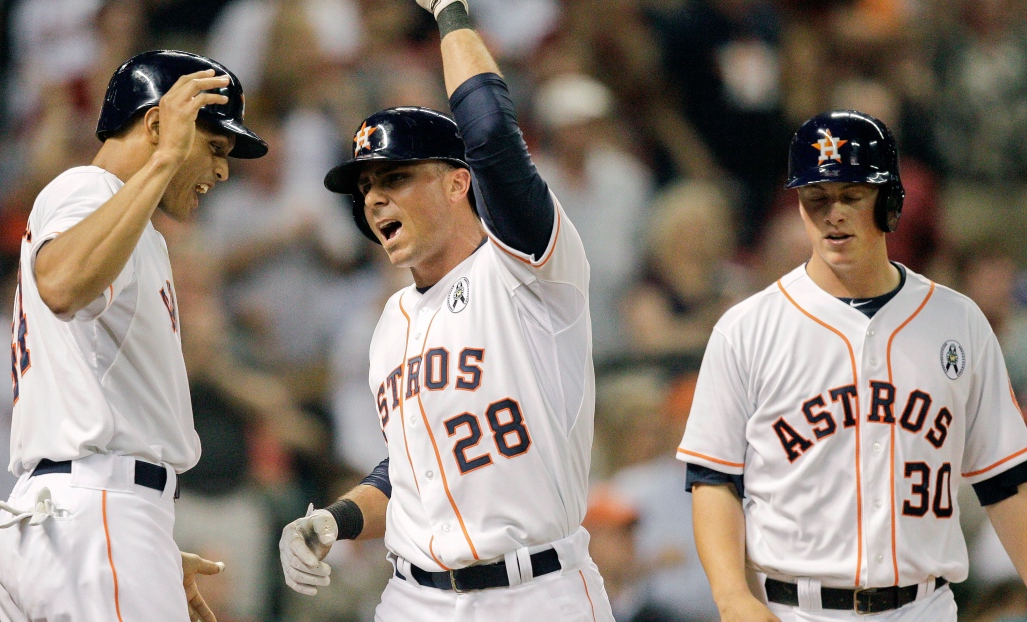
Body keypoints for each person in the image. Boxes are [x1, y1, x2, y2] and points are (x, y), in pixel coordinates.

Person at [277, 2, 615, 620]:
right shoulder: (388, 324)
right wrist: (337, 517)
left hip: (537, 591)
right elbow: (409, 467)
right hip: (415, 598)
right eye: (367, 188)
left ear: (459, 183)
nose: (376, 197)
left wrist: (449, 12)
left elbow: (488, 135)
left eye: (397, 176)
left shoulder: (527, 270)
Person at [677, 110, 1027, 621]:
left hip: (923, 606)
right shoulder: (747, 328)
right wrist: (732, 598)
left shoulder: (959, 321)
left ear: (890, 201)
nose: (832, 214)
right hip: (796, 608)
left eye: (851, 196)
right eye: (816, 199)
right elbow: (714, 478)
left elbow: (1005, 479)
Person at [0, 50, 268, 622]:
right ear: (158, 124)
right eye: (213, 147)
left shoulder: (129, 226)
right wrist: (165, 161)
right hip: (95, 512)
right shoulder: (86, 188)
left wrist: (152, 551)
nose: (222, 171)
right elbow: (62, 285)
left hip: (80, 519)